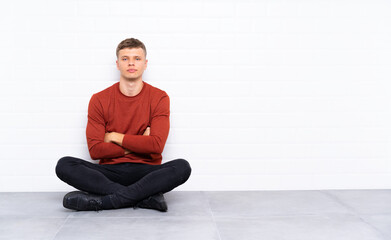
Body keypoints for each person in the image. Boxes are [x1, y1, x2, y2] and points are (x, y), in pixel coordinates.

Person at [55, 38, 191, 212]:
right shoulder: (99, 99)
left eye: (137, 58)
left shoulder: (159, 97)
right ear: (118, 64)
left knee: (182, 167)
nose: (131, 63)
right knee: (65, 165)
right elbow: (95, 150)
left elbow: (156, 146)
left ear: (145, 64)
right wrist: (140, 143)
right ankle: (144, 198)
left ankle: (105, 202)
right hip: (109, 171)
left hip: (147, 172)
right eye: (125, 59)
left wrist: (114, 137)